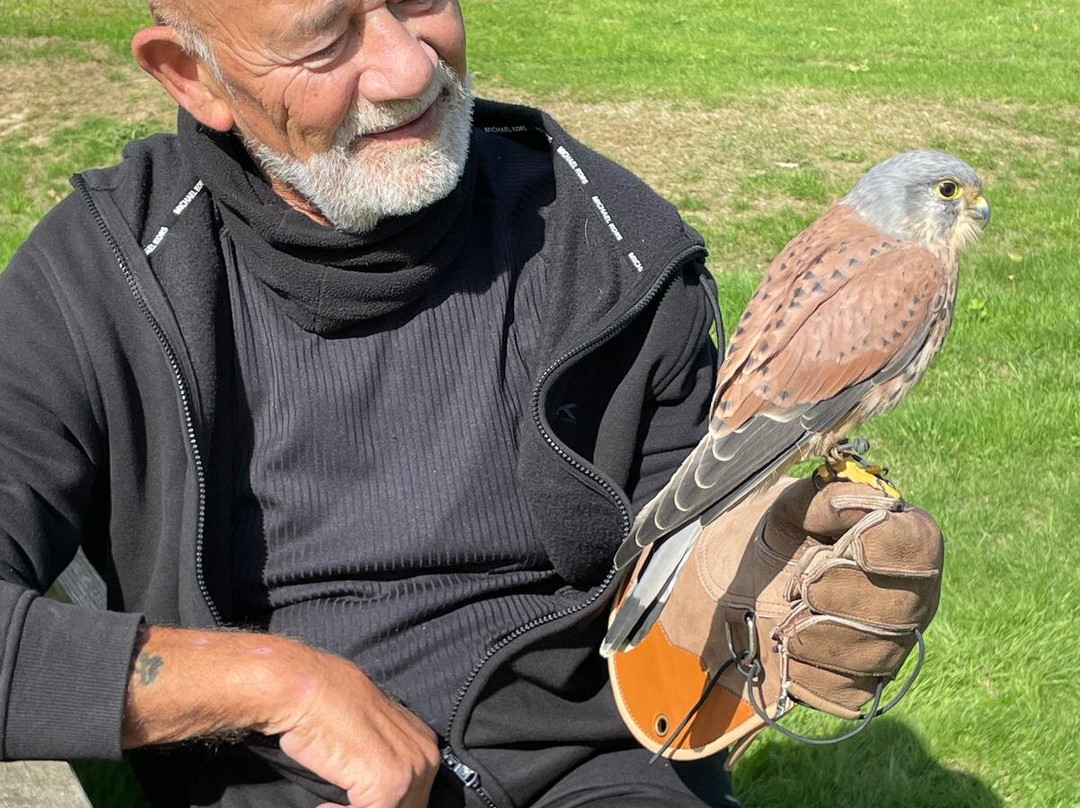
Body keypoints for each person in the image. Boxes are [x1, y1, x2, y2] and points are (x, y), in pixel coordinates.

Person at [0, 1, 940, 806]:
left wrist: (770, 586)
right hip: (279, 781)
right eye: (324, 40)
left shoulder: (611, 250)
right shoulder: (101, 284)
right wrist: (272, 682)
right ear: (191, 75)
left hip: (601, 772)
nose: (411, 67)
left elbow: (686, 538)